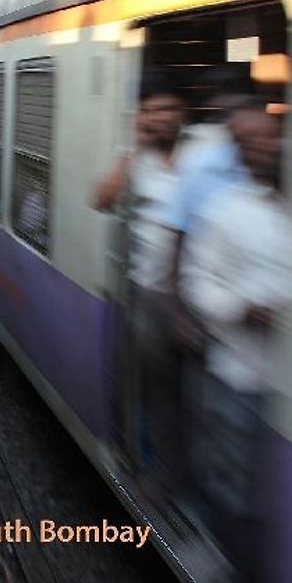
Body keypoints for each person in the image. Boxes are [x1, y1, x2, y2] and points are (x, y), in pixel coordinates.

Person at [180, 103, 292, 580]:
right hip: (239, 371)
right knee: (235, 482)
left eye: (270, 139)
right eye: (251, 143)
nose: (264, 148)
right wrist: (243, 308)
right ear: (239, 153)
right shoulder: (228, 212)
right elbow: (197, 283)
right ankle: (228, 558)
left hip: (291, 386)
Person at [94, 70, 187, 484]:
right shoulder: (136, 155)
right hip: (144, 289)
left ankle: (165, 471)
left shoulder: (200, 155)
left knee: (172, 394)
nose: (159, 117)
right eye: (150, 110)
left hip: (185, 294)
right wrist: (133, 149)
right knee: (139, 384)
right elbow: (101, 198)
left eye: (166, 108)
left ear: (181, 112)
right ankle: (142, 461)